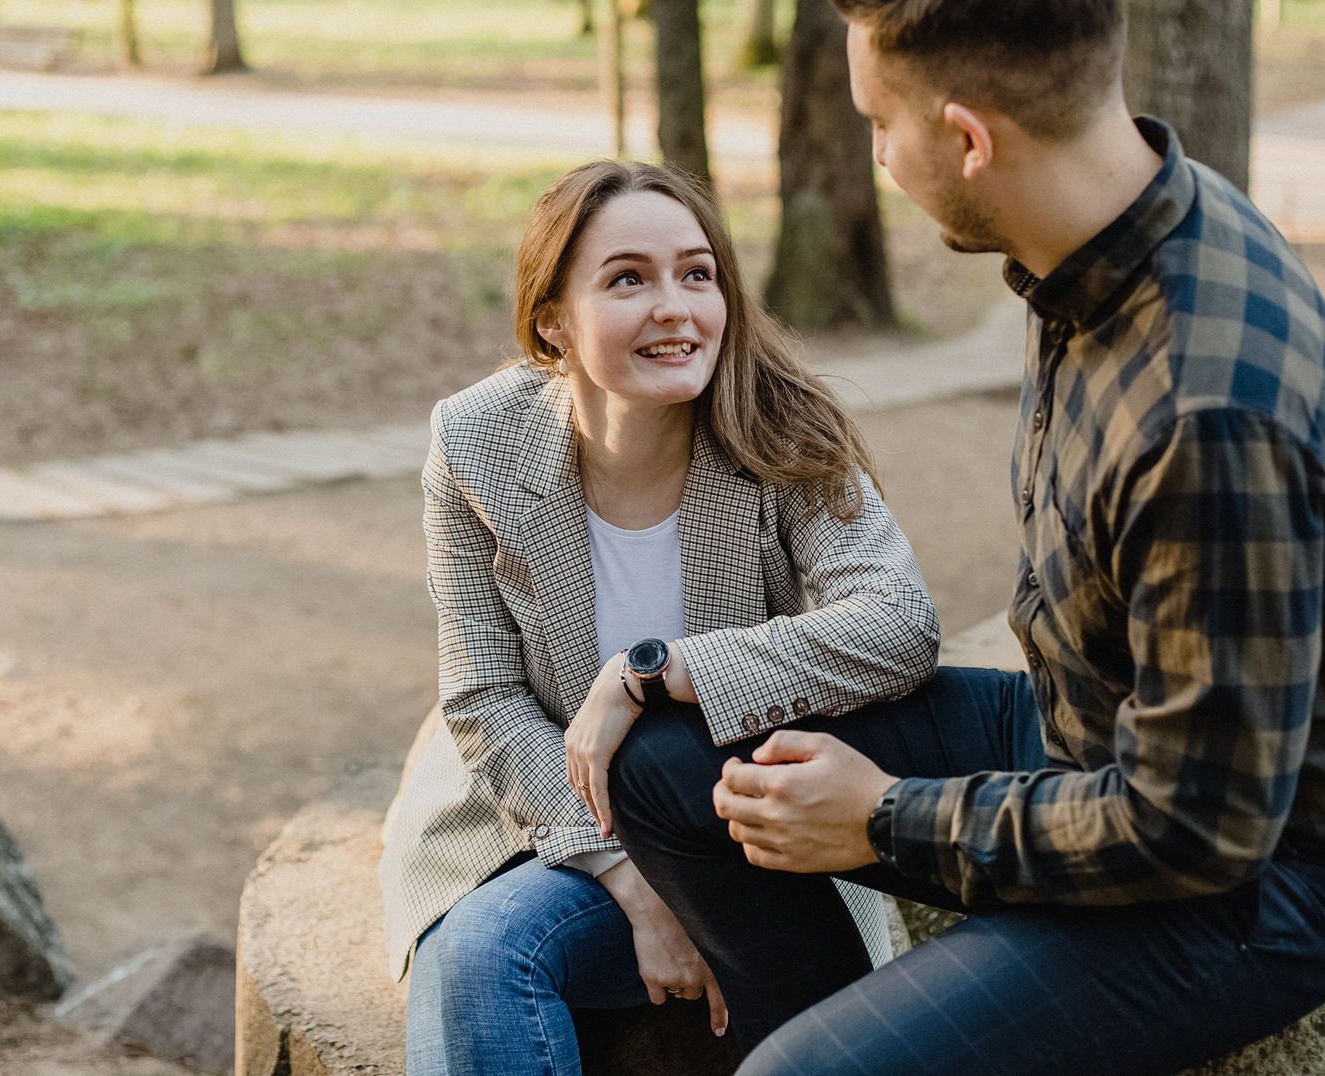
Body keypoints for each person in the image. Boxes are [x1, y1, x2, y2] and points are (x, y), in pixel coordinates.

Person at [608, 0, 1325, 1076]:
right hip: (1084, 735)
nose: (878, 156)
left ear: (969, 138)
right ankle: (858, 1027)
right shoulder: (1103, 236)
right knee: (671, 759)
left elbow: (1198, 826)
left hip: (1253, 882)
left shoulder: (1204, 414)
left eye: (881, 124)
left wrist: (884, 815)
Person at [377, 159, 942, 1075]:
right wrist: (631, 879)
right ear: (552, 319)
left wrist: (655, 669)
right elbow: (485, 696)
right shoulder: (474, 442)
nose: (675, 306)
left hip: (734, 821)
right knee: (477, 957)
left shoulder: (782, 428)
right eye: (628, 278)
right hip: (545, 814)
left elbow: (897, 623)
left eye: (697, 272)